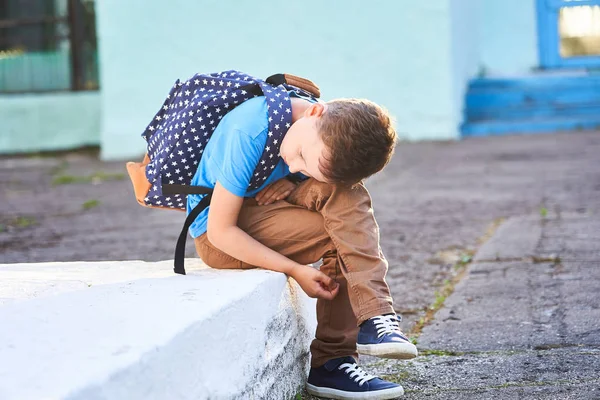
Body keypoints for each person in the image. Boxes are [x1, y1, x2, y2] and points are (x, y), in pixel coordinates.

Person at [188, 90, 417, 399]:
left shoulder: (316, 124)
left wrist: (295, 181)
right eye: (303, 159)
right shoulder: (250, 130)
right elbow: (220, 232)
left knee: (346, 195)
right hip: (222, 235)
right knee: (343, 234)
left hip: (267, 203)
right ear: (315, 113)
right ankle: (333, 363)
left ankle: (375, 315)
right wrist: (295, 270)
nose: (295, 167)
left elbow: (308, 166)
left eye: (306, 169)